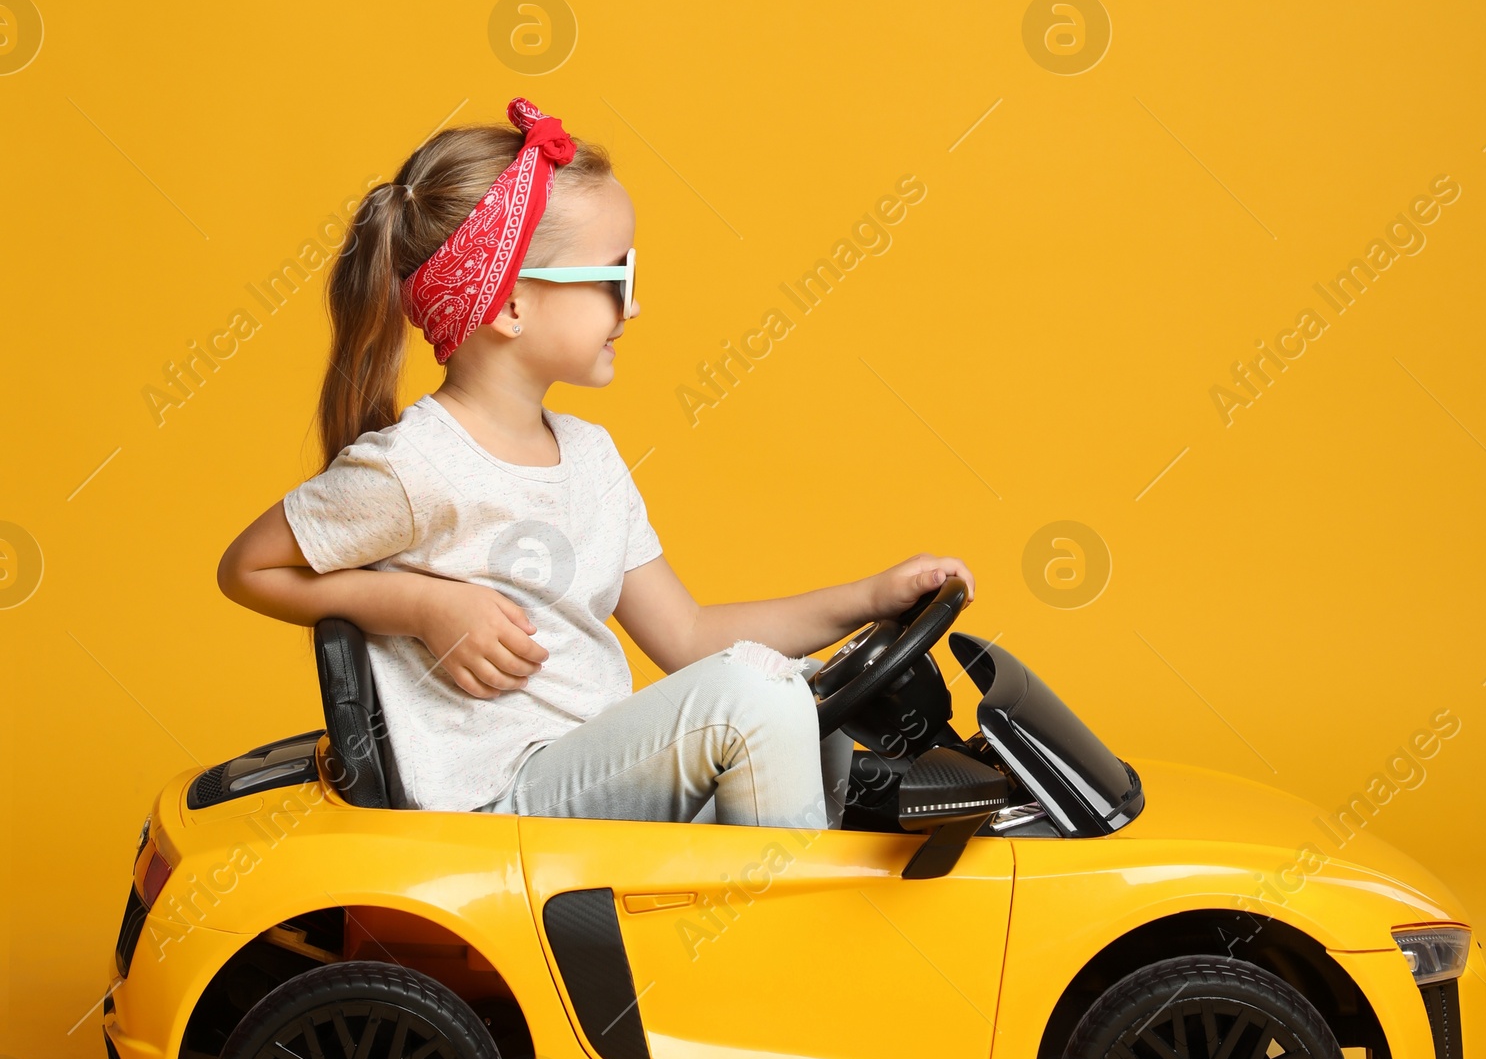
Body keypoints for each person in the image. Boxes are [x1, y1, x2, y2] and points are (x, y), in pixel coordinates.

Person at [218, 99, 973, 827]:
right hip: (503, 803)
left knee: (805, 694)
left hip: (591, 779)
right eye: (617, 279)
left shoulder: (591, 456)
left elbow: (689, 636)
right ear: (511, 305)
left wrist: (869, 597)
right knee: (757, 696)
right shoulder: (417, 465)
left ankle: (786, 919)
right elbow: (247, 568)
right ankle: (781, 948)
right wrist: (421, 607)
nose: (634, 307)